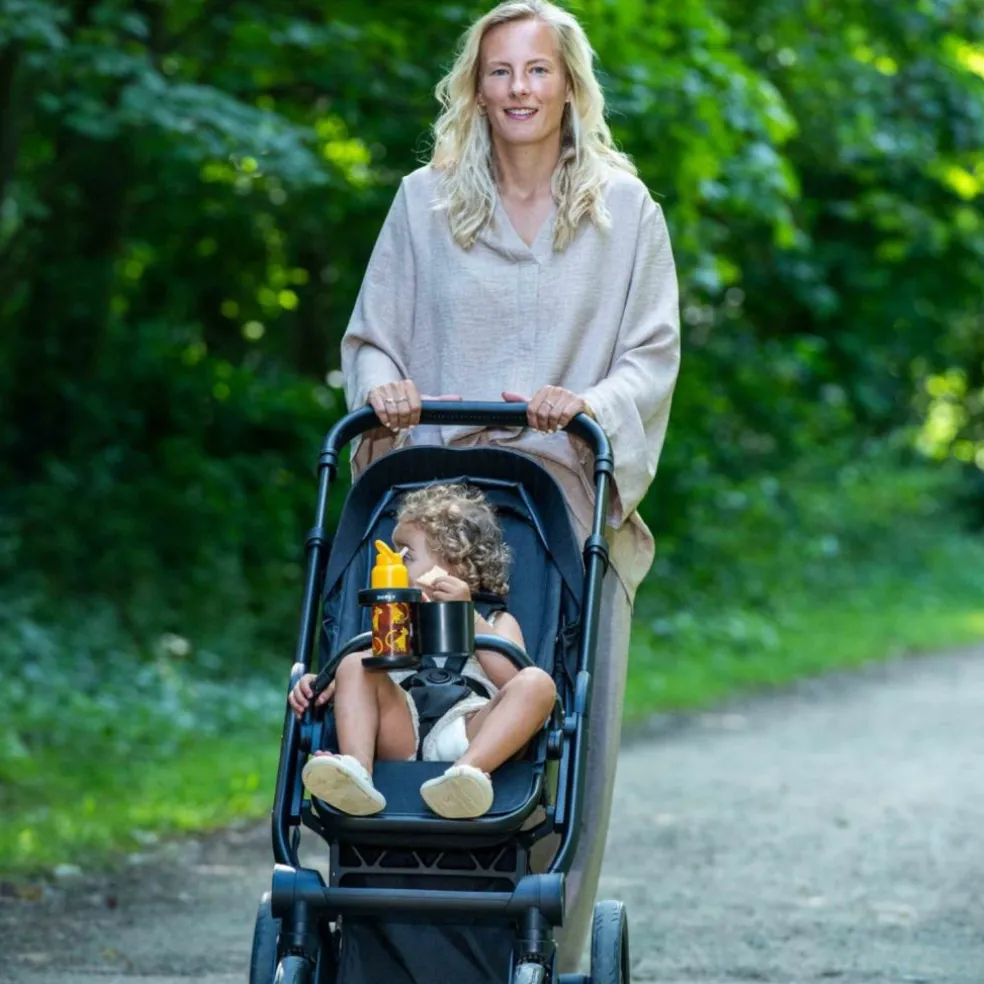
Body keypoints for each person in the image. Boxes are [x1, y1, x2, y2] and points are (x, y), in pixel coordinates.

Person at [338, 0, 681, 969]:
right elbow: (370, 342)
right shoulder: (424, 201)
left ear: (568, 84)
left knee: (548, 691)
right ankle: (376, 889)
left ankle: (542, 924)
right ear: (475, 87)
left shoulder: (625, 213)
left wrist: (585, 406)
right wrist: (386, 393)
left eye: (536, 71)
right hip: (426, 501)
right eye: (499, 72)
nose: (518, 90)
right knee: (378, 648)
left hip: (558, 503)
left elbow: (649, 361)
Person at [290, 483, 557, 820]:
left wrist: (468, 618)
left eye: (406, 554)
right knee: (356, 660)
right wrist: (323, 683)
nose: (393, 560)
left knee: (536, 682)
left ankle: (465, 776)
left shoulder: (496, 620)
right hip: (402, 732)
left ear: (454, 562)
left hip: (471, 729)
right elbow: (359, 683)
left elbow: (512, 681)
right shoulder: (392, 620)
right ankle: (357, 770)